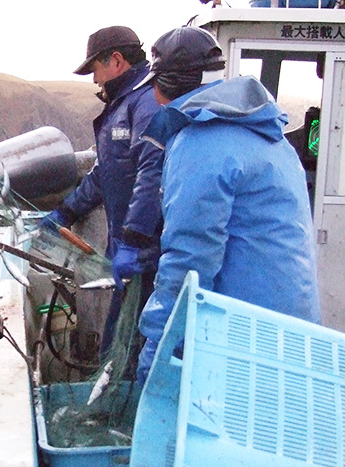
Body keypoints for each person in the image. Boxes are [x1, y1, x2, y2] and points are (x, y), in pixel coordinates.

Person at [134, 26, 321, 385]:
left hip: (245, 338)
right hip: (294, 329)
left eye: (154, 86)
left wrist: (158, 344)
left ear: (167, 86)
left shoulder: (200, 142)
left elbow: (189, 259)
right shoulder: (267, 134)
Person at [40, 26, 164, 359]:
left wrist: (135, 242)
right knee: (116, 345)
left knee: (132, 349)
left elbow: (152, 175)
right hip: (127, 251)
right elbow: (105, 173)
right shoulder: (122, 105)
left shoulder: (147, 103)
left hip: (149, 259)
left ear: (117, 61)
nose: (94, 80)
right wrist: (66, 212)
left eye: (95, 69)